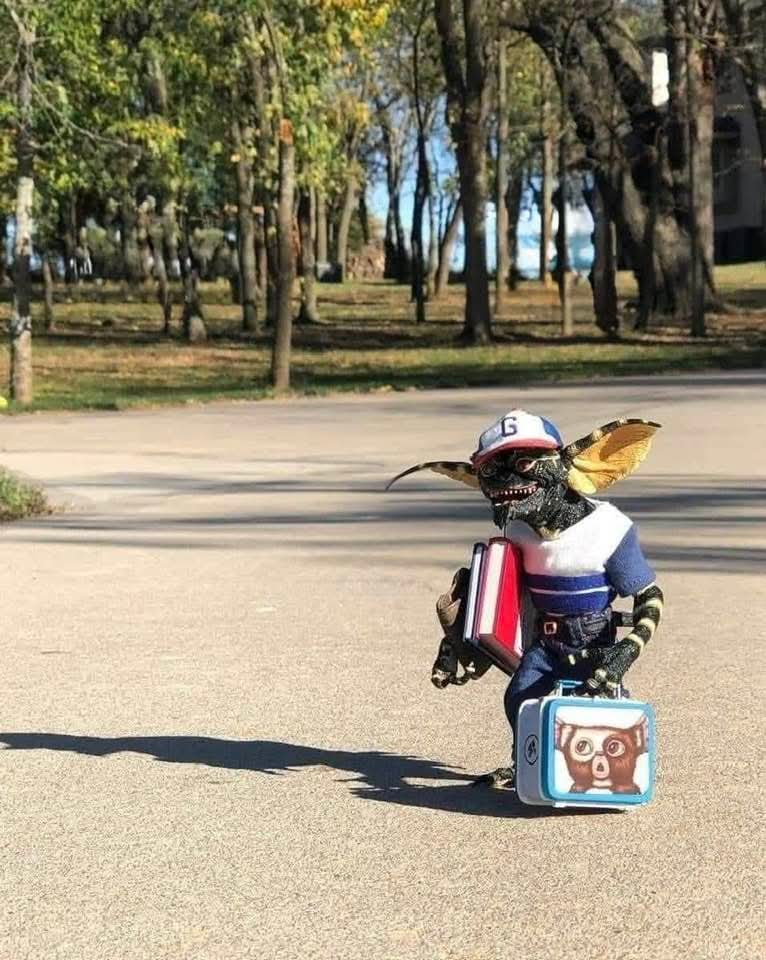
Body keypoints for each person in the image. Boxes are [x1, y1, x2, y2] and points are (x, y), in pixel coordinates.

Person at [387, 409, 664, 789]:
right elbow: (492, 594)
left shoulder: (608, 529)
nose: (503, 480)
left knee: (597, 706)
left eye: (523, 463)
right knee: (521, 697)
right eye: (490, 470)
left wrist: (626, 651)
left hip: (593, 639)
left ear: (562, 465)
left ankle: (610, 774)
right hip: (544, 642)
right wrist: (457, 641)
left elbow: (649, 597)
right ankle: (528, 765)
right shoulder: (518, 532)